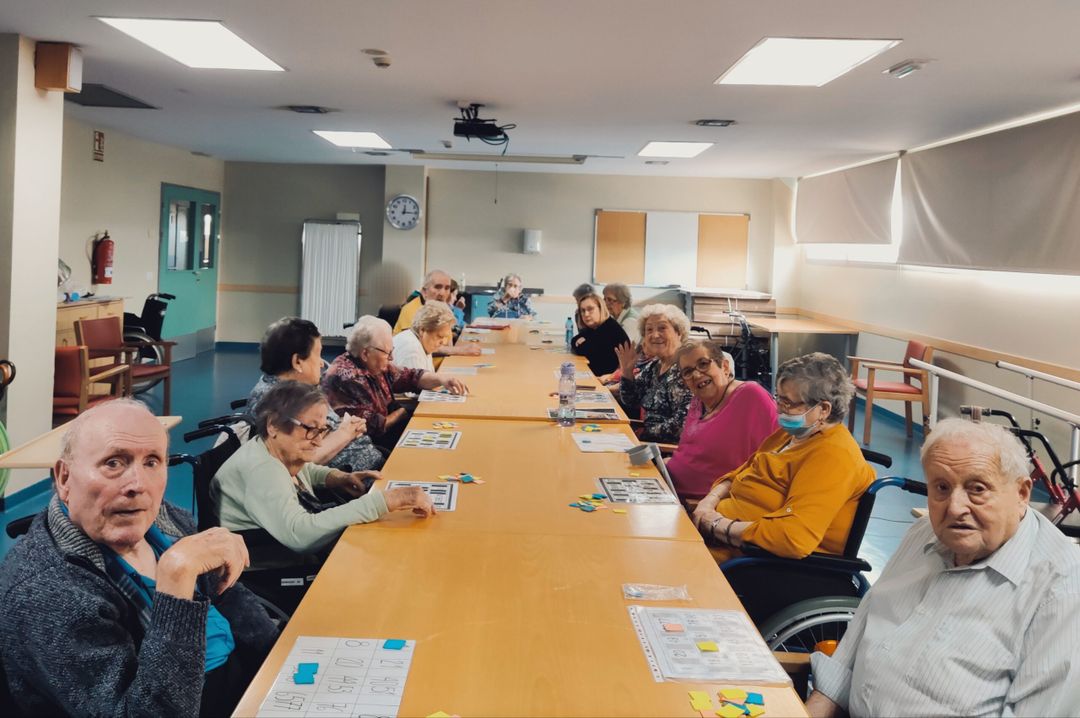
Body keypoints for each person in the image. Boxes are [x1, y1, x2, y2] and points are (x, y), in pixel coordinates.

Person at [0, 400, 278, 717]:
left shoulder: (163, 519)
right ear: (65, 478)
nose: (138, 485)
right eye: (114, 463)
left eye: (152, 462)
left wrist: (279, 660)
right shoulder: (46, 591)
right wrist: (176, 582)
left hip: (242, 684)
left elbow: (229, 597)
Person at [806, 418, 1080, 718]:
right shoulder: (923, 534)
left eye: (977, 488)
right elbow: (861, 631)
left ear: (1022, 494)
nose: (954, 507)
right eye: (941, 487)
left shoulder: (1061, 588)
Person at [691, 352, 875, 562]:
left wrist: (718, 526)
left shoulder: (834, 455)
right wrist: (709, 503)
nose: (779, 408)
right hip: (723, 539)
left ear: (823, 409)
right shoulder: (791, 435)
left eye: (788, 403)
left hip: (758, 561)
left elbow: (792, 537)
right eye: (779, 398)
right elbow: (739, 474)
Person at [213, 381, 436, 555]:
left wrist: (335, 477)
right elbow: (300, 535)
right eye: (310, 429)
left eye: (323, 430)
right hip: (274, 561)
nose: (319, 442)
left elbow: (300, 470)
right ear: (273, 425)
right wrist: (383, 502)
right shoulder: (261, 470)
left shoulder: (273, 449)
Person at [248, 317, 383, 471]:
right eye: (318, 354)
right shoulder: (274, 401)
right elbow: (300, 463)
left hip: (372, 464)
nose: (321, 363)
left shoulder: (300, 389)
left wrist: (348, 428)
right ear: (297, 361)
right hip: (351, 482)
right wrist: (346, 433)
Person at [321, 316, 468, 449]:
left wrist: (441, 378)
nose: (391, 358)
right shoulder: (348, 377)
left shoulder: (375, 364)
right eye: (387, 353)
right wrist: (404, 412)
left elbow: (410, 376)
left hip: (388, 432)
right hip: (370, 445)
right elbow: (376, 427)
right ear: (365, 353)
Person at [666, 340, 777, 502]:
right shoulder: (698, 401)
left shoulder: (750, 396)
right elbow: (694, 453)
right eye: (688, 372)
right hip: (669, 489)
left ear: (724, 367)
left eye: (703, 364)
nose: (696, 375)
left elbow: (777, 456)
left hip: (700, 507)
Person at [616, 303, 693, 444]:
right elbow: (632, 401)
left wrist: (644, 432)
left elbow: (681, 426)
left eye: (662, 328)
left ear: (679, 332)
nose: (654, 335)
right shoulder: (654, 366)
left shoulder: (686, 370)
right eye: (649, 330)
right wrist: (627, 372)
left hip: (666, 453)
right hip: (648, 443)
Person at [393, 268, 480, 357]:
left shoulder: (442, 309)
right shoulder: (411, 309)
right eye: (437, 287)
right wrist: (460, 350)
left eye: (447, 288)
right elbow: (418, 345)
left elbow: (446, 342)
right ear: (424, 291)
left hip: (443, 363)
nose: (442, 293)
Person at [571, 292, 629, 375]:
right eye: (583, 311)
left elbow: (585, 351)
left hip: (609, 381)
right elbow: (574, 341)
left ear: (601, 308)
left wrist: (582, 344)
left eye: (590, 309)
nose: (586, 314)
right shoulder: (594, 327)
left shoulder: (610, 328)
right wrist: (581, 343)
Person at [392, 301, 456, 371]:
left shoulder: (423, 343)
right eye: (440, 336)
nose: (444, 342)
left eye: (445, 337)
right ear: (422, 330)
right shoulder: (412, 351)